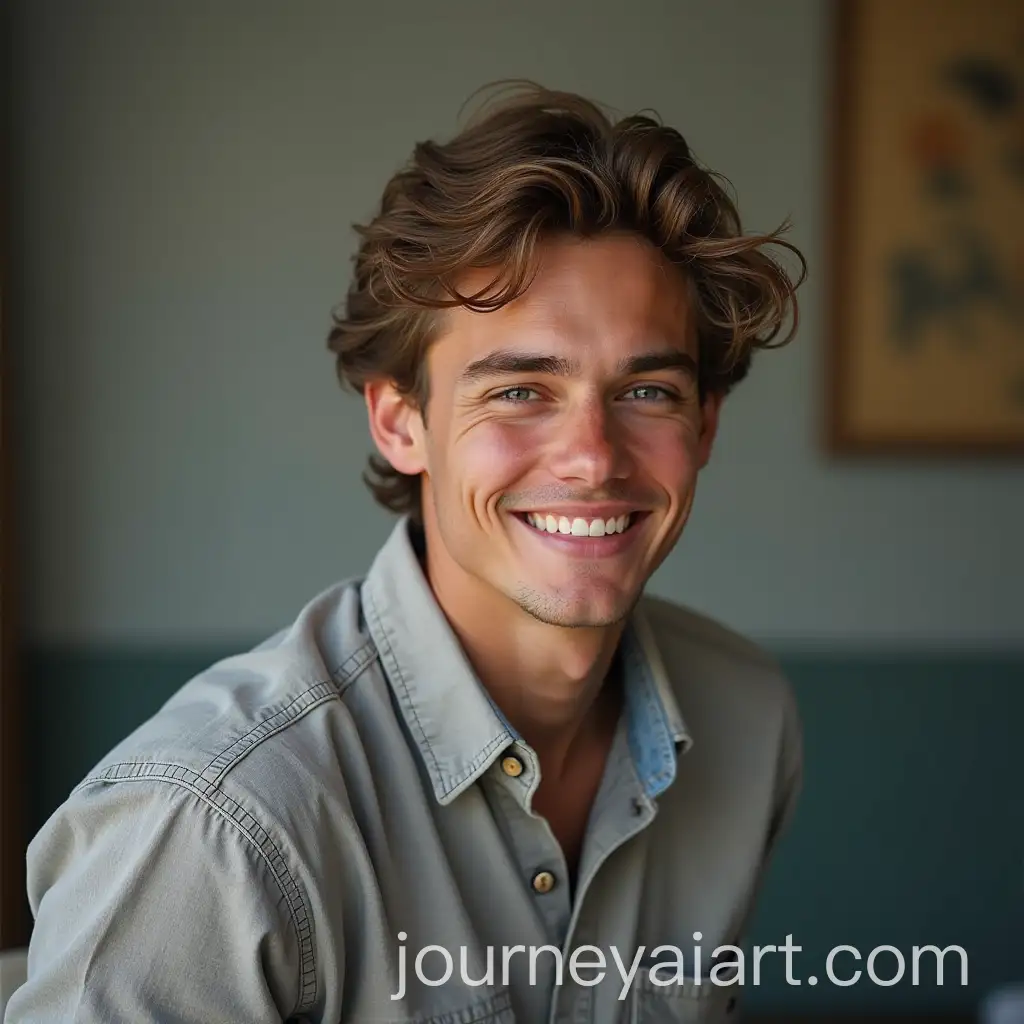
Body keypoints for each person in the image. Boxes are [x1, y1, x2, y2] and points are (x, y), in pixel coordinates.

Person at [9, 82, 806, 1024]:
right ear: (401, 422)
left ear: (706, 423)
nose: (593, 458)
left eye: (648, 393)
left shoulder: (747, 726)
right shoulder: (212, 825)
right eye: (519, 392)